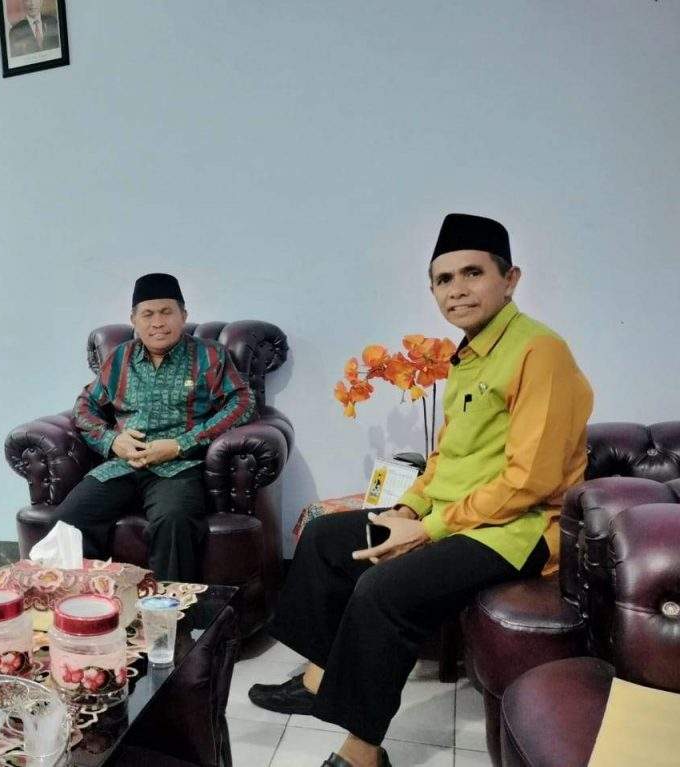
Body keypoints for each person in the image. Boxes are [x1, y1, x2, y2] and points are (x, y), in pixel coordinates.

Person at [248, 214, 593, 767]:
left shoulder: (539, 351)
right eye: (443, 279)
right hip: (457, 514)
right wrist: (408, 508)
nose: (457, 290)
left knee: (382, 590)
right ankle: (318, 680)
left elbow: (533, 479)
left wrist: (427, 529)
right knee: (325, 538)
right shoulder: (466, 356)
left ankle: (362, 754)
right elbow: (444, 459)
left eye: (473, 273)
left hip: (516, 530)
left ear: (510, 279)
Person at [56, 273, 255, 581]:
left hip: (179, 468)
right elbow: (84, 406)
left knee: (174, 522)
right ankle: (94, 604)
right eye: (148, 314)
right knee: (68, 521)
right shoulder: (120, 358)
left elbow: (242, 403)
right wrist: (112, 440)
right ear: (134, 320)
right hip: (122, 464)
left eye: (166, 312)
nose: (158, 323)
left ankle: (171, 610)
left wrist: (182, 444)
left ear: (183, 315)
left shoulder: (210, 355)